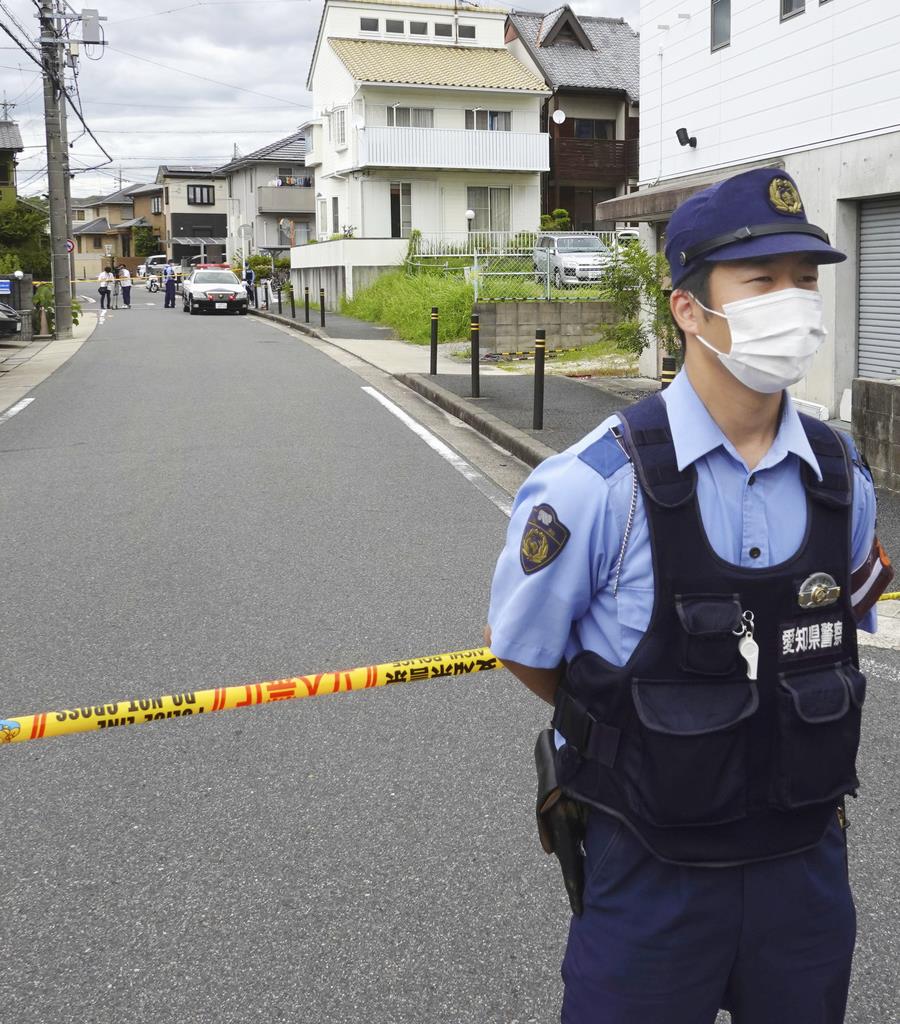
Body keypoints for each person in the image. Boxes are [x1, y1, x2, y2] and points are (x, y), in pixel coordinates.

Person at [486, 167, 894, 1024]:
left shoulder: (840, 476)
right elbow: (527, 650)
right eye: (762, 281)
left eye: (805, 280)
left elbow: (838, 627)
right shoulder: (601, 485)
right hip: (651, 874)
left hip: (804, 869)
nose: (794, 304)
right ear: (688, 310)